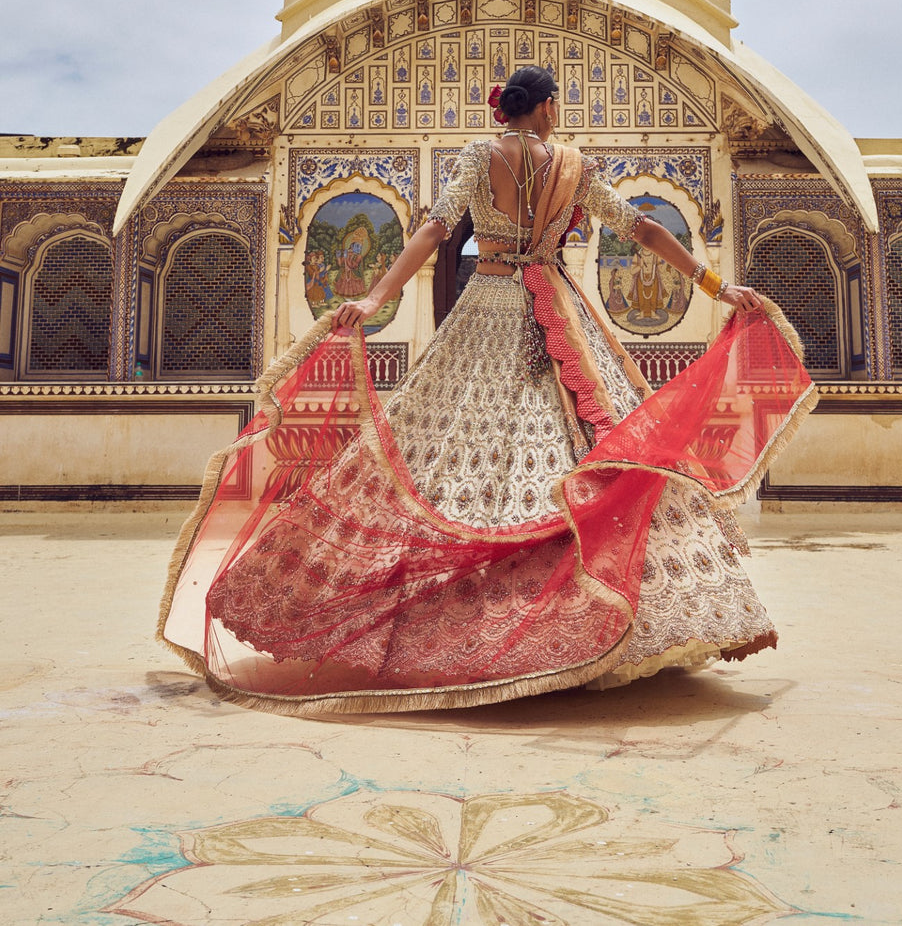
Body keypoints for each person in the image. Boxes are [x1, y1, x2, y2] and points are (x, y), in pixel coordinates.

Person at [158, 67, 815, 716]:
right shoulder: (574, 166)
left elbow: (435, 229)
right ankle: (600, 627)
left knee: (444, 451)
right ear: (548, 108)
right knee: (584, 446)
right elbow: (640, 229)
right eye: (558, 103)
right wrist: (713, 285)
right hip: (559, 311)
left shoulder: (480, 156)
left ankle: (457, 622)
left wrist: (376, 296)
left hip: (487, 304)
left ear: (508, 109)